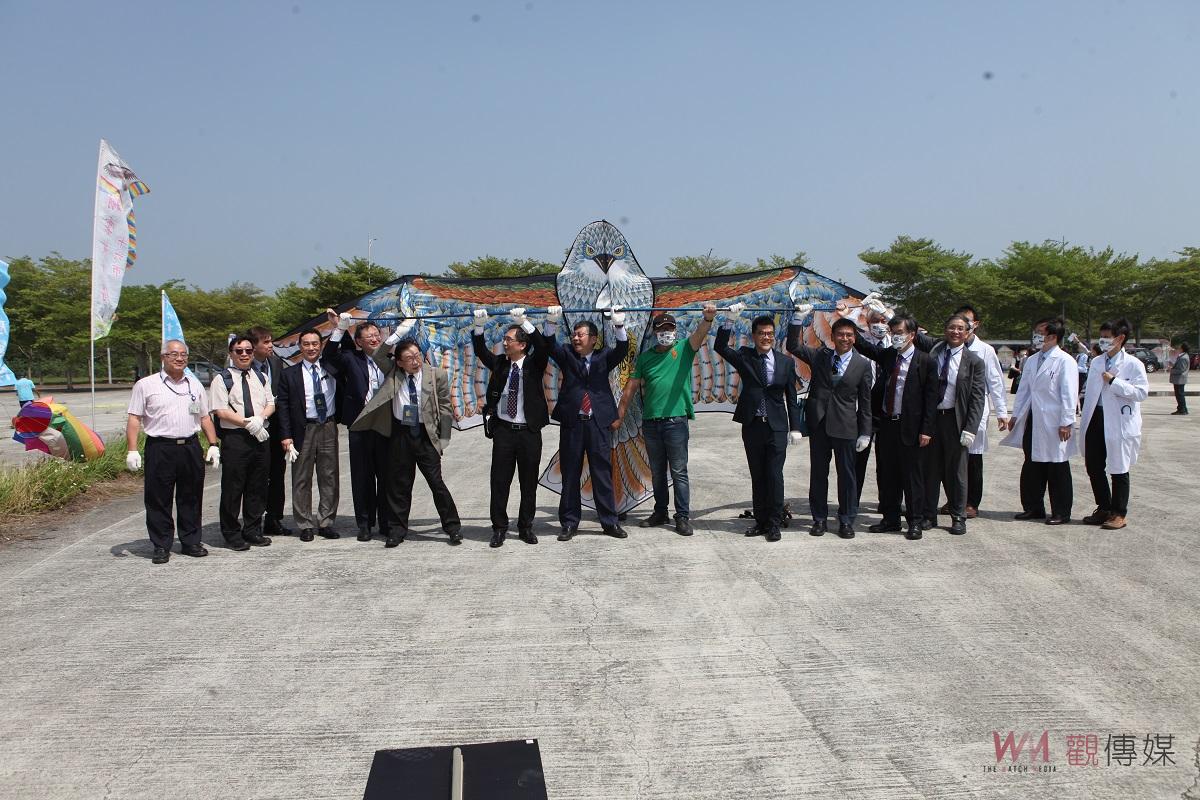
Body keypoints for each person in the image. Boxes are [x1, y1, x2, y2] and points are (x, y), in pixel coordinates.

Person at [614, 302, 717, 537]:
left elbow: (700, 333)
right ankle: (660, 512)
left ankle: (682, 517)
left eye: (669, 328)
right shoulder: (645, 358)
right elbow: (630, 388)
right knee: (658, 472)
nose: (666, 333)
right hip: (651, 423)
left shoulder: (684, 348)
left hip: (676, 423)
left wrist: (708, 318)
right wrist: (619, 416)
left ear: (675, 331)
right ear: (654, 333)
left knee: (679, 471)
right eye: (661, 330)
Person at [351, 333, 461, 546]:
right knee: (399, 486)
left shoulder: (435, 374)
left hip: (425, 435)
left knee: (436, 483)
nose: (415, 361)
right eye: (409, 358)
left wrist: (444, 437)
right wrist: (396, 336)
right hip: (400, 435)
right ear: (399, 362)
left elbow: (445, 406)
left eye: (417, 355)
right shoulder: (393, 372)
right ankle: (397, 530)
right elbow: (378, 355)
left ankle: (452, 527)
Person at [711, 305, 804, 541]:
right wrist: (730, 320)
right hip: (753, 425)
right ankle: (761, 521)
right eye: (761, 333)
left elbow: (792, 398)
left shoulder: (785, 362)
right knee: (758, 475)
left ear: (774, 336)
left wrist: (796, 428)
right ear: (754, 336)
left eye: (770, 334)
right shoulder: (745, 356)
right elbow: (720, 347)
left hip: (777, 426)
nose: (766, 337)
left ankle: (774, 523)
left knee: (774, 475)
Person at [125, 340, 221, 564]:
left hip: (190, 447)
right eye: (174, 354)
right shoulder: (146, 385)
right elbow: (134, 418)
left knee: (191, 496)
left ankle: (191, 541)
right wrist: (132, 450)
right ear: (163, 357)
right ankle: (161, 544)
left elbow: (204, 417)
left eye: (183, 355)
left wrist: (213, 444)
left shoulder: (194, 385)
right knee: (159, 498)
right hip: (160, 448)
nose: (179, 358)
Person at [784, 311, 873, 538]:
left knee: (847, 476)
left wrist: (865, 432)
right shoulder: (820, 356)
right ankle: (819, 519)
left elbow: (865, 402)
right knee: (818, 474)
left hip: (846, 426)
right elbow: (793, 346)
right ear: (832, 337)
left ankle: (846, 520)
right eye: (840, 334)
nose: (845, 338)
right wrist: (797, 319)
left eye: (849, 335)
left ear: (854, 338)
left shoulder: (862, 364)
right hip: (820, 424)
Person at [544, 308, 629, 541]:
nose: (575, 338)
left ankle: (609, 522)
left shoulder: (604, 356)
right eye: (574, 334)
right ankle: (569, 523)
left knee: (602, 473)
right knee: (570, 474)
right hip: (573, 423)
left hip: (597, 423)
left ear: (593, 339)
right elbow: (549, 344)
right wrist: (551, 322)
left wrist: (619, 326)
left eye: (580, 334)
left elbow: (622, 349)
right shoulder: (567, 354)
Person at [471, 306, 553, 547]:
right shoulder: (500, 364)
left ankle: (525, 527)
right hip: (504, 432)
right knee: (499, 482)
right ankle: (499, 528)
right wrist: (478, 327)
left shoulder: (535, 364)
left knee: (528, 483)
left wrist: (525, 322)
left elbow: (543, 346)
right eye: (504, 339)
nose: (505, 343)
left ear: (522, 345)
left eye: (509, 340)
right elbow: (480, 350)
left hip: (528, 432)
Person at [852, 312, 937, 539]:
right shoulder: (889, 355)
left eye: (900, 333)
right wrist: (850, 317)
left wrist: (927, 430)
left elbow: (931, 399)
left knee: (912, 476)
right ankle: (890, 518)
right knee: (887, 474)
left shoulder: (925, 361)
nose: (895, 337)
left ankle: (915, 521)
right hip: (887, 425)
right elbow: (864, 347)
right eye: (893, 333)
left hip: (912, 427)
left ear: (912, 334)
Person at [1001, 317, 1079, 524]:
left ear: (1052, 337)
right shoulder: (1032, 360)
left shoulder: (1065, 361)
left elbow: (1069, 394)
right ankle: (1033, 507)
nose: (1036, 336)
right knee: (1032, 464)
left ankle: (1061, 511)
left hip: (1054, 420)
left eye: (1040, 333)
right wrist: (1016, 415)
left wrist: (1066, 422)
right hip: (1032, 418)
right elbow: (1024, 390)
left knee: (1057, 466)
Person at [326, 311, 392, 543]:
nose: (374, 339)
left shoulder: (390, 359)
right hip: (360, 424)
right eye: (369, 336)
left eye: (376, 335)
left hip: (386, 425)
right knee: (362, 477)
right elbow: (329, 355)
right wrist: (340, 328)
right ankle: (364, 523)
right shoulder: (351, 358)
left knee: (386, 476)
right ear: (359, 342)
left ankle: (387, 522)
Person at [1080, 318, 1148, 530]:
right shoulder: (1097, 362)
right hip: (1095, 418)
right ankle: (1104, 507)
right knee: (1094, 466)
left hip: (1119, 421)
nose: (1103, 341)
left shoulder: (1133, 364)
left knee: (1119, 467)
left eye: (1107, 337)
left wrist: (1114, 382)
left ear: (1120, 338)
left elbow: (1141, 393)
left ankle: (1119, 513)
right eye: (1101, 337)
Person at [209, 335, 276, 549]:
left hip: (260, 436)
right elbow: (221, 411)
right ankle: (231, 533)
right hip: (236, 438)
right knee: (233, 487)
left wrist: (260, 419)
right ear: (231, 354)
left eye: (248, 350)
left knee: (258, 485)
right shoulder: (222, 379)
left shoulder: (261, 377)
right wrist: (248, 424)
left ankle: (253, 529)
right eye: (239, 351)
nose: (244, 354)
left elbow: (271, 403)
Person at [277, 328, 342, 542]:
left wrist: (339, 327)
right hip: (302, 429)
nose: (311, 348)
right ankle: (304, 524)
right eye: (306, 344)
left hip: (328, 426)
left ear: (321, 345)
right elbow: (283, 407)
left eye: (315, 343)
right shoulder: (289, 374)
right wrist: (286, 435)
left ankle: (326, 522)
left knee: (329, 476)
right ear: (300, 346)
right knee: (301, 477)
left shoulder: (331, 368)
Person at [951, 305, 1010, 518]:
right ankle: (954, 499)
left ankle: (971, 502)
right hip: (952, 410)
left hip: (976, 409)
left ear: (975, 325)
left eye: (968, 321)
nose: (962, 326)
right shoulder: (948, 347)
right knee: (952, 457)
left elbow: (995, 381)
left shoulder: (985, 350)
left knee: (973, 457)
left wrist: (1001, 412)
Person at [248, 325, 292, 537]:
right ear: (253, 345)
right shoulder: (244, 365)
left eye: (270, 341)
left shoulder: (275, 363)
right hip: (252, 427)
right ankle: (253, 521)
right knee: (256, 476)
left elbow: (281, 397)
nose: (270, 345)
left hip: (275, 427)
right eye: (265, 342)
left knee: (277, 474)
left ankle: (274, 518)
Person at [1170, 342, 1190, 415]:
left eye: (1179, 347)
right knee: (1179, 395)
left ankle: (1182, 410)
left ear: (1182, 349)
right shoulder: (1183, 356)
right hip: (1179, 379)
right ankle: (1182, 409)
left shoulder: (1183, 358)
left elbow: (1181, 370)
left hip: (1180, 379)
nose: (1178, 349)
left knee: (1180, 395)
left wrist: (1171, 370)